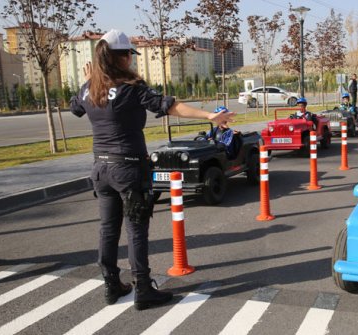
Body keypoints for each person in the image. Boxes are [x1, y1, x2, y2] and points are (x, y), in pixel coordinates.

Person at [69, 29, 234, 310]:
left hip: (101, 169)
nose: (131, 61)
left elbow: (76, 109)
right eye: (129, 56)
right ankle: (143, 289)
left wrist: (87, 80)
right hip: (129, 168)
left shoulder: (89, 87)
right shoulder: (129, 86)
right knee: (136, 229)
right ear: (121, 57)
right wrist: (210, 115)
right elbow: (168, 105)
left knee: (108, 229)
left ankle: (111, 286)